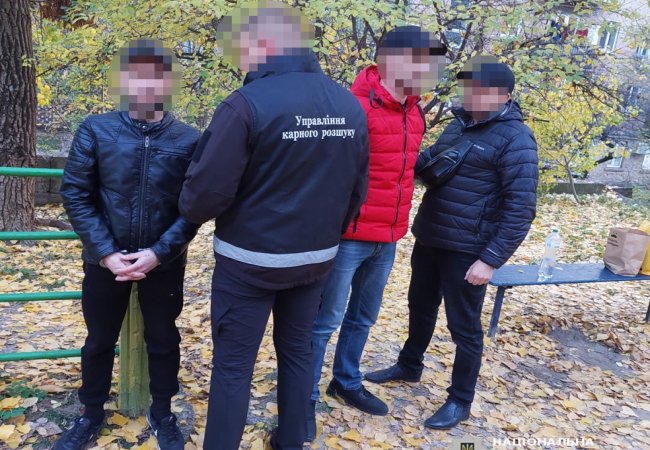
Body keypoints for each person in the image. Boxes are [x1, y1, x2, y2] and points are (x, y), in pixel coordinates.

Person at [177, 3, 369, 450]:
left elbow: (205, 193)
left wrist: (188, 209)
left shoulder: (246, 104)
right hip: (315, 260)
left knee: (233, 367)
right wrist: (327, 235)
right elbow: (357, 189)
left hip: (249, 263)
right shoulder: (348, 105)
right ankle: (291, 442)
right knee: (298, 355)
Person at [365, 55, 539, 430]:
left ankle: (460, 399)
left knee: (464, 328)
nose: (471, 94)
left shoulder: (517, 138)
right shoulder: (458, 125)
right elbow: (423, 162)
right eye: (468, 87)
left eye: (480, 89)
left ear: (504, 96)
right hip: (431, 237)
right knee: (420, 307)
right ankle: (409, 365)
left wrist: (490, 260)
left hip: (468, 250)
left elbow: (521, 207)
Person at [55, 39, 200, 450]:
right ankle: (91, 413)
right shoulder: (96, 129)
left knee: (163, 338)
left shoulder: (190, 139)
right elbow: (76, 193)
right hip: (105, 260)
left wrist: (159, 253)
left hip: (163, 262)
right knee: (99, 340)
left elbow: (194, 206)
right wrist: (105, 253)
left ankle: (162, 412)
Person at [307, 25, 447, 434]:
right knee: (323, 322)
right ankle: (303, 397)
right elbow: (325, 176)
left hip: (387, 238)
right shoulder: (351, 107)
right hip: (346, 239)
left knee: (363, 317)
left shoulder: (414, 112)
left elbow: (401, 172)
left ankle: (346, 381)